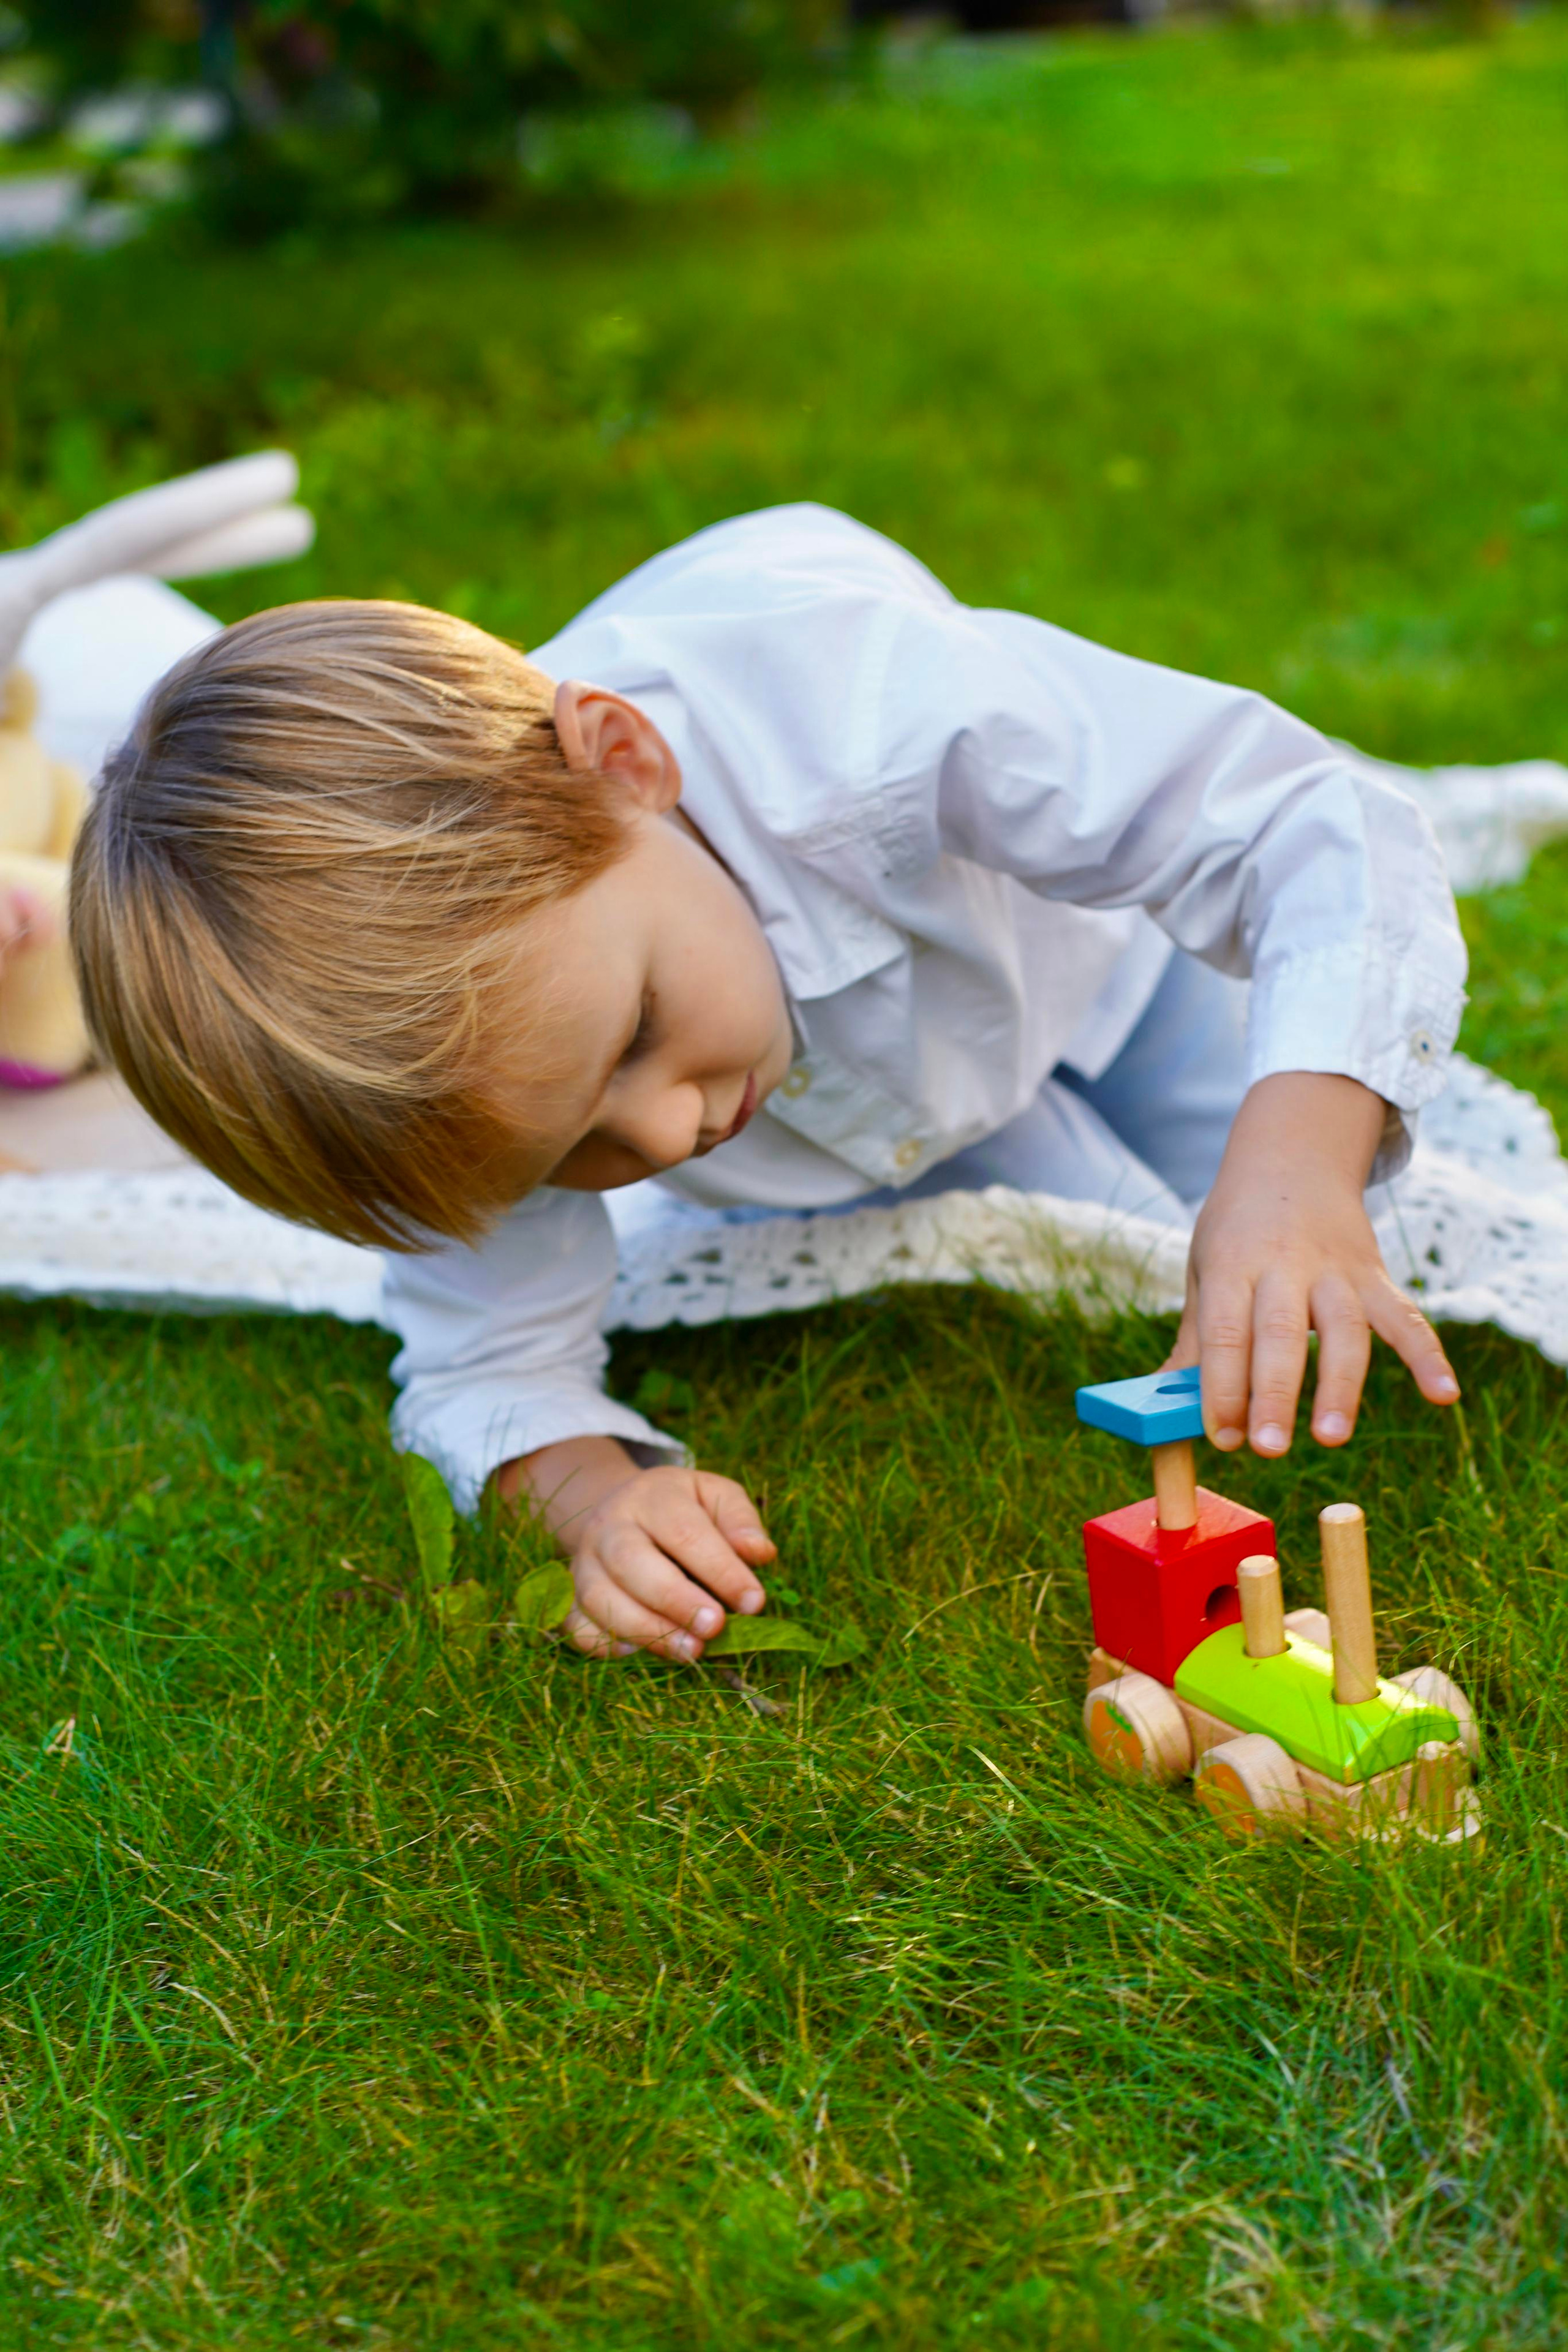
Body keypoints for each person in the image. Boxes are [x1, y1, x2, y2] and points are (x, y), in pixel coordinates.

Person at [67, 503, 1466, 1664]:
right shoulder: (469, 1065)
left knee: (1310, 1249)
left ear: (625, 765)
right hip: (876, 1124)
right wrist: (597, 1503)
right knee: (1133, 1276)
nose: (669, 1129)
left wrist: (1290, 1168)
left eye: (634, 1038)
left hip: (1098, 972)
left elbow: (1299, 824)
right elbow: (483, 1361)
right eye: (574, 1160)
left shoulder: (863, 714)